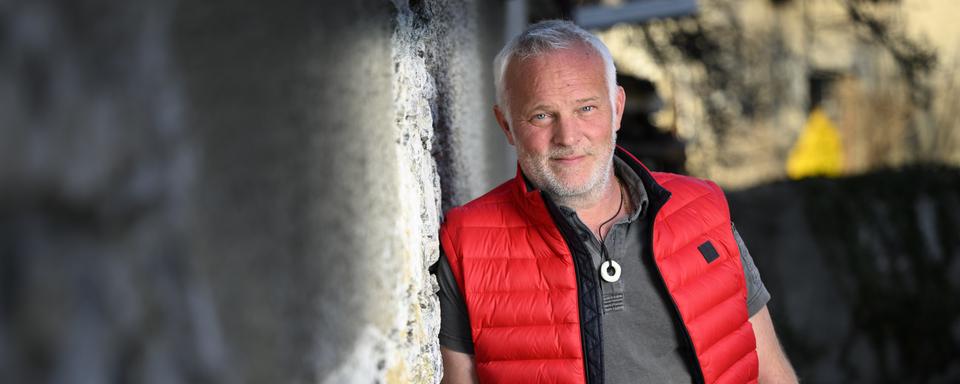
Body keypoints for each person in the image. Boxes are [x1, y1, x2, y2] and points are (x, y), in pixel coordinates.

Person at [432, 20, 798, 384]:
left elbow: (772, 372)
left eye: (586, 108)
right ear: (507, 126)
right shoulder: (466, 243)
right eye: (541, 115)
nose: (568, 136)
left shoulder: (703, 210)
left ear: (617, 108)